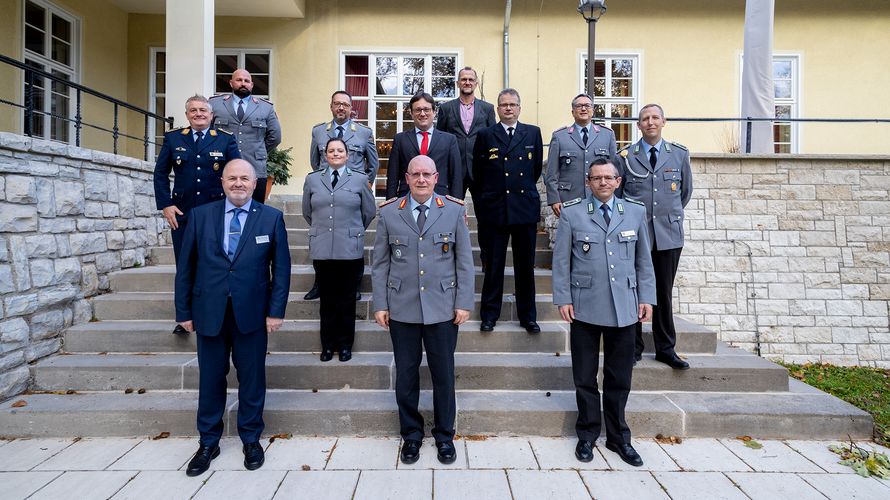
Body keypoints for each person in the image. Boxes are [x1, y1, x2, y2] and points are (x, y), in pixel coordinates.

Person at [174, 159, 291, 476]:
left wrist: (276, 311)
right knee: (210, 380)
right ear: (222, 182)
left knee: (252, 380)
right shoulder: (200, 216)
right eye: (232, 178)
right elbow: (186, 267)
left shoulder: (271, 218)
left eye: (245, 178)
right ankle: (208, 442)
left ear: (255, 184)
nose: (238, 183)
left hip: (252, 314)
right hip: (209, 313)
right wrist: (183, 312)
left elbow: (281, 270)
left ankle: (251, 439)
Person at [552, 159, 655, 468]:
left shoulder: (635, 213)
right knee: (584, 376)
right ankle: (587, 434)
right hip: (584, 305)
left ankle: (618, 436)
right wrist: (563, 299)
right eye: (597, 178)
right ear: (588, 182)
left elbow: (643, 261)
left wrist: (647, 297)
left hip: (624, 306)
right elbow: (561, 262)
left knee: (619, 376)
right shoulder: (572, 214)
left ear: (618, 181)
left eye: (608, 177)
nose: (603, 183)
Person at [371, 155, 473, 465]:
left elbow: (464, 262)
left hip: (443, 308)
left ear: (436, 176)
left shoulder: (453, 211)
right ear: (406, 176)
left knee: (443, 376)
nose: (421, 179)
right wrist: (380, 304)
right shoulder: (389, 213)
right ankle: (411, 435)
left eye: (426, 174)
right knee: (406, 375)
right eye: (415, 174)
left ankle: (445, 436)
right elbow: (380, 263)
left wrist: (464, 302)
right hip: (402, 309)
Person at [154, 94, 240, 335]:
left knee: (214, 263)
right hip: (182, 213)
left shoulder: (224, 140)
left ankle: (214, 311)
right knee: (185, 265)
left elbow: (236, 172)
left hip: (215, 214)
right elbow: (160, 174)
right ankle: (184, 316)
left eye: (203, 110)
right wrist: (166, 204)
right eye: (193, 110)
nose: (199, 114)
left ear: (211, 115)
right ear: (187, 115)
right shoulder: (173, 139)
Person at [618, 103, 693, 370]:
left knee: (663, 292)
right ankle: (633, 347)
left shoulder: (679, 155)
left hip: (668, 236)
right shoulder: (626, 156)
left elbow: (684, 194)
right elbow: (620, 197)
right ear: (638, 126)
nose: (650, 122)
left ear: (663, 122)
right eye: (645, 119)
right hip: (636, 237)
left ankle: (665, 348)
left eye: (655, 118)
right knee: (634, 290)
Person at [471, 88, 543, 334]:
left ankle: (528, 316)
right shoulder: (485, 135)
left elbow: (534, 171)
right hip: (495, 209)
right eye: (504, 105)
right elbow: (478, 173)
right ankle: (489, 315)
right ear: (498, 109)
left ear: (519, 107)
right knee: (493, 266)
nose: (508, 108)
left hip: (524, 208)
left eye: (513, 104)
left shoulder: (532, 133)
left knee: (526, 266)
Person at [302, 137, 376, 362]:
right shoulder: (313, 180)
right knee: (327, 301)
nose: (335, 154)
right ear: (325, 155)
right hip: (323, 247)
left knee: (346, 300)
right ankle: (327, 346)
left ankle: (345, 345)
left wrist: (351, 230)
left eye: (340, 150)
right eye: (331, 151)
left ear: (347, 155)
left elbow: (369, 211)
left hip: (349, 248)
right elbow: (307, 211)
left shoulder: (360, 179)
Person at [304, 90, 379, 301]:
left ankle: (354, 285)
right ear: (331, 106)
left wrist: (363, 186)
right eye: (337, 104)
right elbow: (314, 161)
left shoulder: (363, 133)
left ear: (351, 108)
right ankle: (319, 283)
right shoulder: (319, 131)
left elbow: (372, 164)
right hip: (324, 193)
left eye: (345, 104)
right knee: (322, 242)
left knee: (352, 243)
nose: (341, 108)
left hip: (352, 196)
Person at [210, 68, 282, 203]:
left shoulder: (265, 107)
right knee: (220, 212)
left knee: (254, 213)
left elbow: (275, 136)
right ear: (231, 83)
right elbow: (208, 133)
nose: (243, 83)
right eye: (239, 80)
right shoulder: (215, 105)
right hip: (222, 167)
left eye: (246, 81)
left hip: (255, 167)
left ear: (252, 85)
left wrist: (258, 149)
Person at [544, 94, 621, 217]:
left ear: (593, 110)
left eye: (587, 106)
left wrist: (616, 198)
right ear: (573, 111)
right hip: (569, 199)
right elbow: (552, 173)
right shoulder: (560, 137)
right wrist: (554, 199)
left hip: (600, 197)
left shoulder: (607, 135)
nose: (583, 109)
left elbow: (615, 170)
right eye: (579, 106)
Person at [385, 92, 462, 199]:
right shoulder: (400, 139)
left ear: (434, 112)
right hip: (406, 200)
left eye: (426, 109)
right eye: (418, 110)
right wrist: (390, 204)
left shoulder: (449, 140)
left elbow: (456, 176)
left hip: (441, 200)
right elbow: (393, 176)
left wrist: (457, 205)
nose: (422, 113)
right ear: (411, 113)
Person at [435, 67, 497, 199]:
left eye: (471, 79)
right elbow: (439, 140)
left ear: (476, 83)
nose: (467, 82)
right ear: (458, 83)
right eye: (464, 79)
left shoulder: (487, 108)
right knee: (452, 211)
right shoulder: (446, 108)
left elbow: (493, 140)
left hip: (481, 170)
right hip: (454, 169)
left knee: (485, 213)